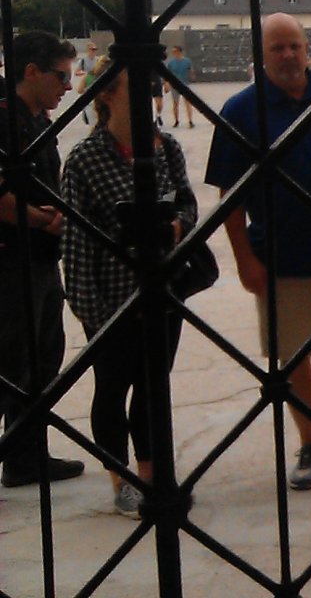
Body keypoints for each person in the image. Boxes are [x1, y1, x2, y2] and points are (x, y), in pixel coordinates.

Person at [204, 13, 311, 491]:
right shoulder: (241, 111)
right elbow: (230, 197)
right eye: (277, 48)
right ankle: (310, 442)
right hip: (283, 256)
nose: (287, 55)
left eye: (294, 46)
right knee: (294, 355)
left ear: (308, 49)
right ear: (261, 56)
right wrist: (245, 260)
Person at [61, 60, 197, 516]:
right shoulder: (85, 159)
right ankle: (120, 478)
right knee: (113, 387)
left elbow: (189, 206)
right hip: (112, 296)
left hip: (164, 291)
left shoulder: (167, 147)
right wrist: (91, 312)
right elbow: (76, 243)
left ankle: (153, 474)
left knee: (154, 387)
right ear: (106, 95)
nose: (147, 94)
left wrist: (177, 227)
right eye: (134, 86)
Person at [0, 32, 86, 489]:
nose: (67, 88)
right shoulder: (5, 120)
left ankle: (25, 453)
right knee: (12, 362)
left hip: (39, 260)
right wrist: (38, 219)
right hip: (11, 262)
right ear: (30, 72)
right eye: (60, 76)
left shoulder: (36, 120)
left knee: (42, 358)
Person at [165, 45, 196, 128]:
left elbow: (190, 70)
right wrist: (167, 84)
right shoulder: (171, 63)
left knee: (188, 103)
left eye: (175, 51)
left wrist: (192, 75)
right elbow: (168, 74)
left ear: (179, 52)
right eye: (173, 52)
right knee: (175, 103)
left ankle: (190, 120)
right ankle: (176, 120)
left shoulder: (187, 61)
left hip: (185, 83)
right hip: (174, 85)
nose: (174, 53)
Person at [72, 41, 99, 125]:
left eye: (95, 50)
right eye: (92, 49)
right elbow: (76, 72)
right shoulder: (83, 61)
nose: (94, 51)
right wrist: (86, 74)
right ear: (88, 50)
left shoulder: (98, 60)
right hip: (86, 84)